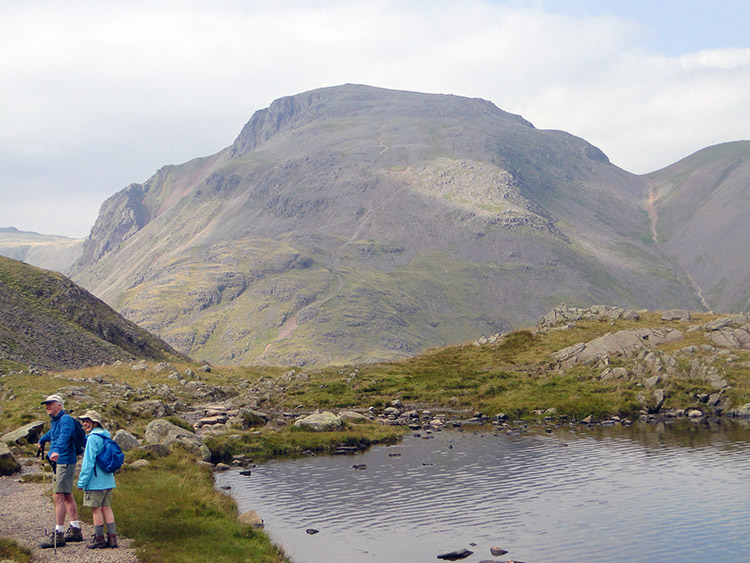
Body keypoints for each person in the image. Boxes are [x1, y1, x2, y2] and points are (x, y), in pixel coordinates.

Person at [37, 393, 83, 548]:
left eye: (50, 403)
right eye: (46, 404)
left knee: (59, 496)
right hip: (62, 462)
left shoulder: (66, 420)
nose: (47, 407)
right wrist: (43, 439)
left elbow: (64, 437)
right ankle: (75, 530)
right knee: (67, 495)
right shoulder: (56, 421)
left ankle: (59, 535)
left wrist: (55, 451)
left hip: (64, 461)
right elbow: (53, 434)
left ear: (59, 405)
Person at [77, 410, 118, 549]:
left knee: (96, 509)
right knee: (106, 507)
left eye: (88, 421)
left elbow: (88, 462)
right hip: (108, 480)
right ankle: (113, 539)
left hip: (95, 482)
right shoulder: (106, 436)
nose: (85, 423)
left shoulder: (92, 438)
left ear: (95, 423)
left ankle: (99, 538)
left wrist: (82, 481)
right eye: (84, 421)